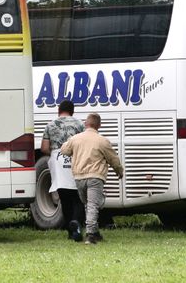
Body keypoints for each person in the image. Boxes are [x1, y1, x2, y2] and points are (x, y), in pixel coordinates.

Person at [61, 112, 124, 245]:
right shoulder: (102, 141)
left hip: (79, 177)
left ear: (85, 123)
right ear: (99, 125)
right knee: (93, 206)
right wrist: (119, 171)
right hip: (95, 177)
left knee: (87, 205)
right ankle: (90, 235)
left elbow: (64, 150)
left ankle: (95, 232)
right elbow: (113, 159)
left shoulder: (75, 139)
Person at [41, 100, 85, 241]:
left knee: (64, 198)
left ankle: (69, 231)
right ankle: (76, 223)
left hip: (58, 162)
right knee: (78, 198)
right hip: (75, 161)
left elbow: (44, 148)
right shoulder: (79, 125)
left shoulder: (50, 125)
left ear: (59, 110)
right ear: (72, 111)